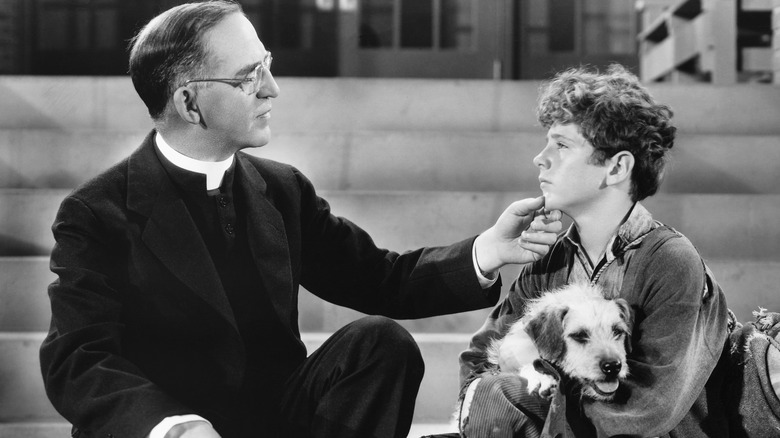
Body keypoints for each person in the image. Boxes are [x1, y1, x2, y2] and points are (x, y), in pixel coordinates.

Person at [37, 2, 563, 438]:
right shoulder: (96, 213)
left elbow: (380, 279)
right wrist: (173, 428)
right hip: (175, 424)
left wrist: (489, 250)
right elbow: (78, 358)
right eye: (249, 77)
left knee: (380, 342)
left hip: (277, 420)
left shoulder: (282, 188)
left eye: (267, 63)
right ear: (189, 104)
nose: (272, 89)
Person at [454, 64, 732, 437]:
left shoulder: (669, 260)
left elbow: (648, 409)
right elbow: (479, 361)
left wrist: (526, 384)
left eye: (562, 145)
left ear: (617, 167)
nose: (541, 158)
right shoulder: (550, 260)